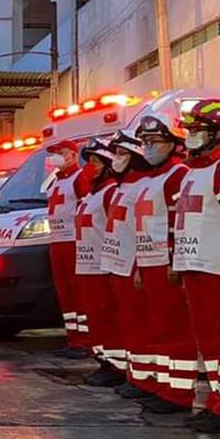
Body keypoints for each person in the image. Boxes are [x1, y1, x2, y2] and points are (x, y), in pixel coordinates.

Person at [173, 99, 220, 434]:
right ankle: (218, 400)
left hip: (214, 266)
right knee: (209, 340)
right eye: (189, 130)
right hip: (194, 265)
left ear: (218, 134)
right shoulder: (193, 171)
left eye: (198, 130)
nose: (191, 136)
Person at [130, 113, 194, 415]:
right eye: (144, 142)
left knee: (175, 328)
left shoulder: (177, 174)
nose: (148, 147)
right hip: (149, 261)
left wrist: (173, 258)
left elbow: (177, 219)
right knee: (159, 328)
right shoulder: (151, 179)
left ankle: (179, 392)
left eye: (154, 141)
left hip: (166, 262)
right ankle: (163, 385)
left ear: (174, 143)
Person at [101, 132, 153, 400]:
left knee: (140, 325)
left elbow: (144, 229)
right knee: (128, 324)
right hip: (117, 264)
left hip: (133, 265)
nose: (117, 159)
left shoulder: (143, 185)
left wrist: (138, 267)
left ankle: (144, 379)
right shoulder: (123, 186)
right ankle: (134, 374)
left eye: (122, 154)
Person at [74, 137, 125, 387]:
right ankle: (103, 359)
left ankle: (116, 365)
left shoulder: (110, 192)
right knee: (95, 317)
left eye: (95, 161)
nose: (90, 166)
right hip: (87, 266)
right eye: (89, 161)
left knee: (108, 316)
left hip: (103, 267)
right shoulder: (90, 196)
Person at [44, 139, 90, 359]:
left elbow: (86, 208)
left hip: (73, 241)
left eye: (60, 153)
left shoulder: (79, 178)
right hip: (57, 242)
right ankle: (73, 338)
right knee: (65, 293)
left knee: (79, 292)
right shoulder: (54, 181)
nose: (55, 158)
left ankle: (85, 341)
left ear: (72, 155)